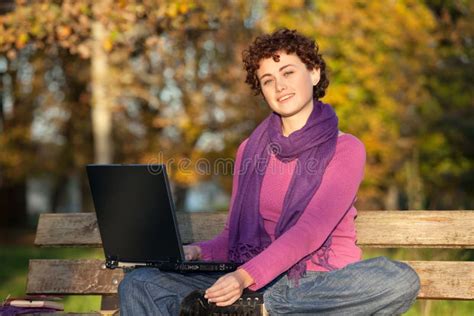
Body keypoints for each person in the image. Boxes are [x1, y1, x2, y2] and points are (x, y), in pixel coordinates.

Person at [118, 28, 421, 315]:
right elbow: (231, 238)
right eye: (267, 80)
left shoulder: (347, 149)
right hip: (251, 277)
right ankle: (255, 306)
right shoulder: (249, 150)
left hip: (315, 283)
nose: (279, 86)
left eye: (288, 72)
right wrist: (197, 252)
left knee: (398, 279)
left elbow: (309, 232)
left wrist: (244, 278)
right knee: (140, 283)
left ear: (314, 73)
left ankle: (264, 308)